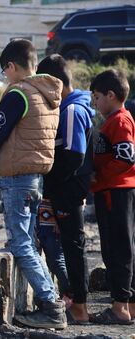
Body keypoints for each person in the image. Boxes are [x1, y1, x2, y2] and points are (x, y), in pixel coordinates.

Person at [0, 39, 66, 329]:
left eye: (5, 70)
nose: (5, 76)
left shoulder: (19, 94)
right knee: (28, 243)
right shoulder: (49, 94)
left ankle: (51, 306)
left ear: (12, 66)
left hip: (18, 180)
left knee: (21, 245)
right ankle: (49, 301)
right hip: (36, 178)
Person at [35, 54, 96, 324]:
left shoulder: (72, 110)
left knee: (73, 246)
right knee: (68, 245)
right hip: (66, 188)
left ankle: (80, 307)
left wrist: (51, 183)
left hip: (68, 190)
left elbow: (74, 155)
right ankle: (74, 300)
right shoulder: (71, 107)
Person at [89, 70, 135, 325]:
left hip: (115, 191)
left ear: (111, 95)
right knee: (121, 247)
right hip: (114, 190)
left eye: (97, 97)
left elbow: (126, 157)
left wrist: (100, 177)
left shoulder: (119, 121)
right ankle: (128, 304)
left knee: (117, 249)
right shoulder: (114, 120)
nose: (95, 103)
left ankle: (119, 307)